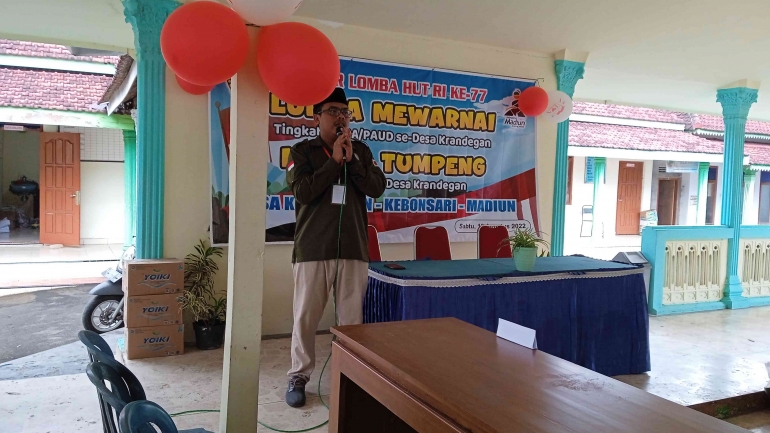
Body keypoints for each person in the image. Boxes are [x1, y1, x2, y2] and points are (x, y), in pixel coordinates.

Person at [284, 88, 386, 407]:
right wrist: (333, 164)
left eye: (345, 111)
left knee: (352, 321)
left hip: (353, 246)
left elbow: (377, 188)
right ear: (317, 117)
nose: (341, 117)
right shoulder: (302, 151)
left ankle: (351, 375)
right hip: (313, 248)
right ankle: (298, 376)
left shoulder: (362, 152)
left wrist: (351, 159)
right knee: (305, 317)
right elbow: (302, 192)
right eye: (333, 111)